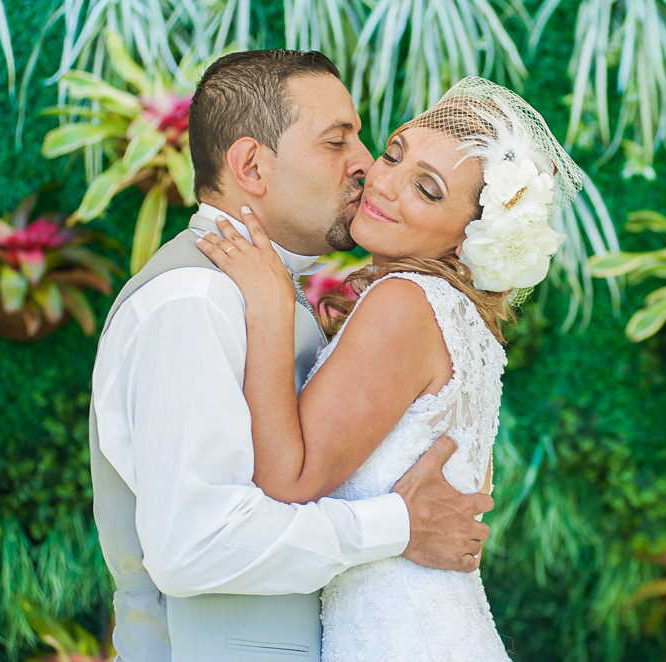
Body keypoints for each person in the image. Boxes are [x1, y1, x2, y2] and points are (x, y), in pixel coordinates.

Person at [89, 50, 494, 662]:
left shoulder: (268, 294)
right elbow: (195, 545)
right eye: (337, 142)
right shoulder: (194, 301)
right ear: (252, 165)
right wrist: (397, 525)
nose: (365, 165)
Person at [195, 76, 583, 661]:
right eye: (394, 154)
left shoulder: (404, 303)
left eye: (426, 189)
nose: (382, 182)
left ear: (467, 238)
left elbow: (289, 482)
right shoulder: (456, 316)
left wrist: (270, 312)